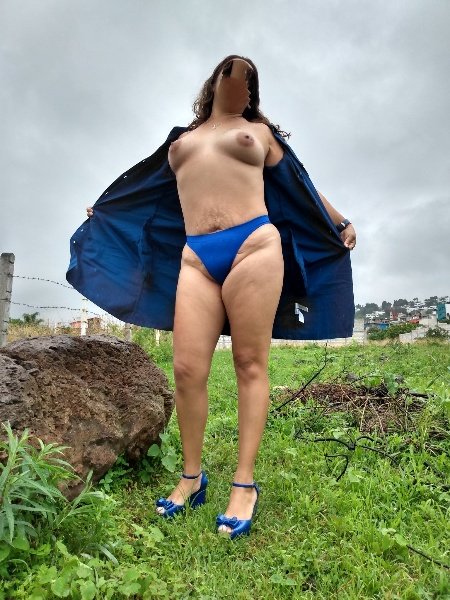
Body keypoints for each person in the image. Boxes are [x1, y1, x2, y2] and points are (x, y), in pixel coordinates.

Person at [73, 55, 356, 540]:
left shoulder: (260, 133)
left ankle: (244, 484)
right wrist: (108, 208)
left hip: (255, 246)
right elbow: (143, 188)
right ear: (214, 81)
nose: (241, 82)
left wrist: (340, 221)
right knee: (187, 369)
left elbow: (301, 186)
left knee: (249, 362)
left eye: (250, 78)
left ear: (253, 92)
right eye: (233, 71)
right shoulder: (181, 140)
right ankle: (192, 477)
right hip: (196, 257)